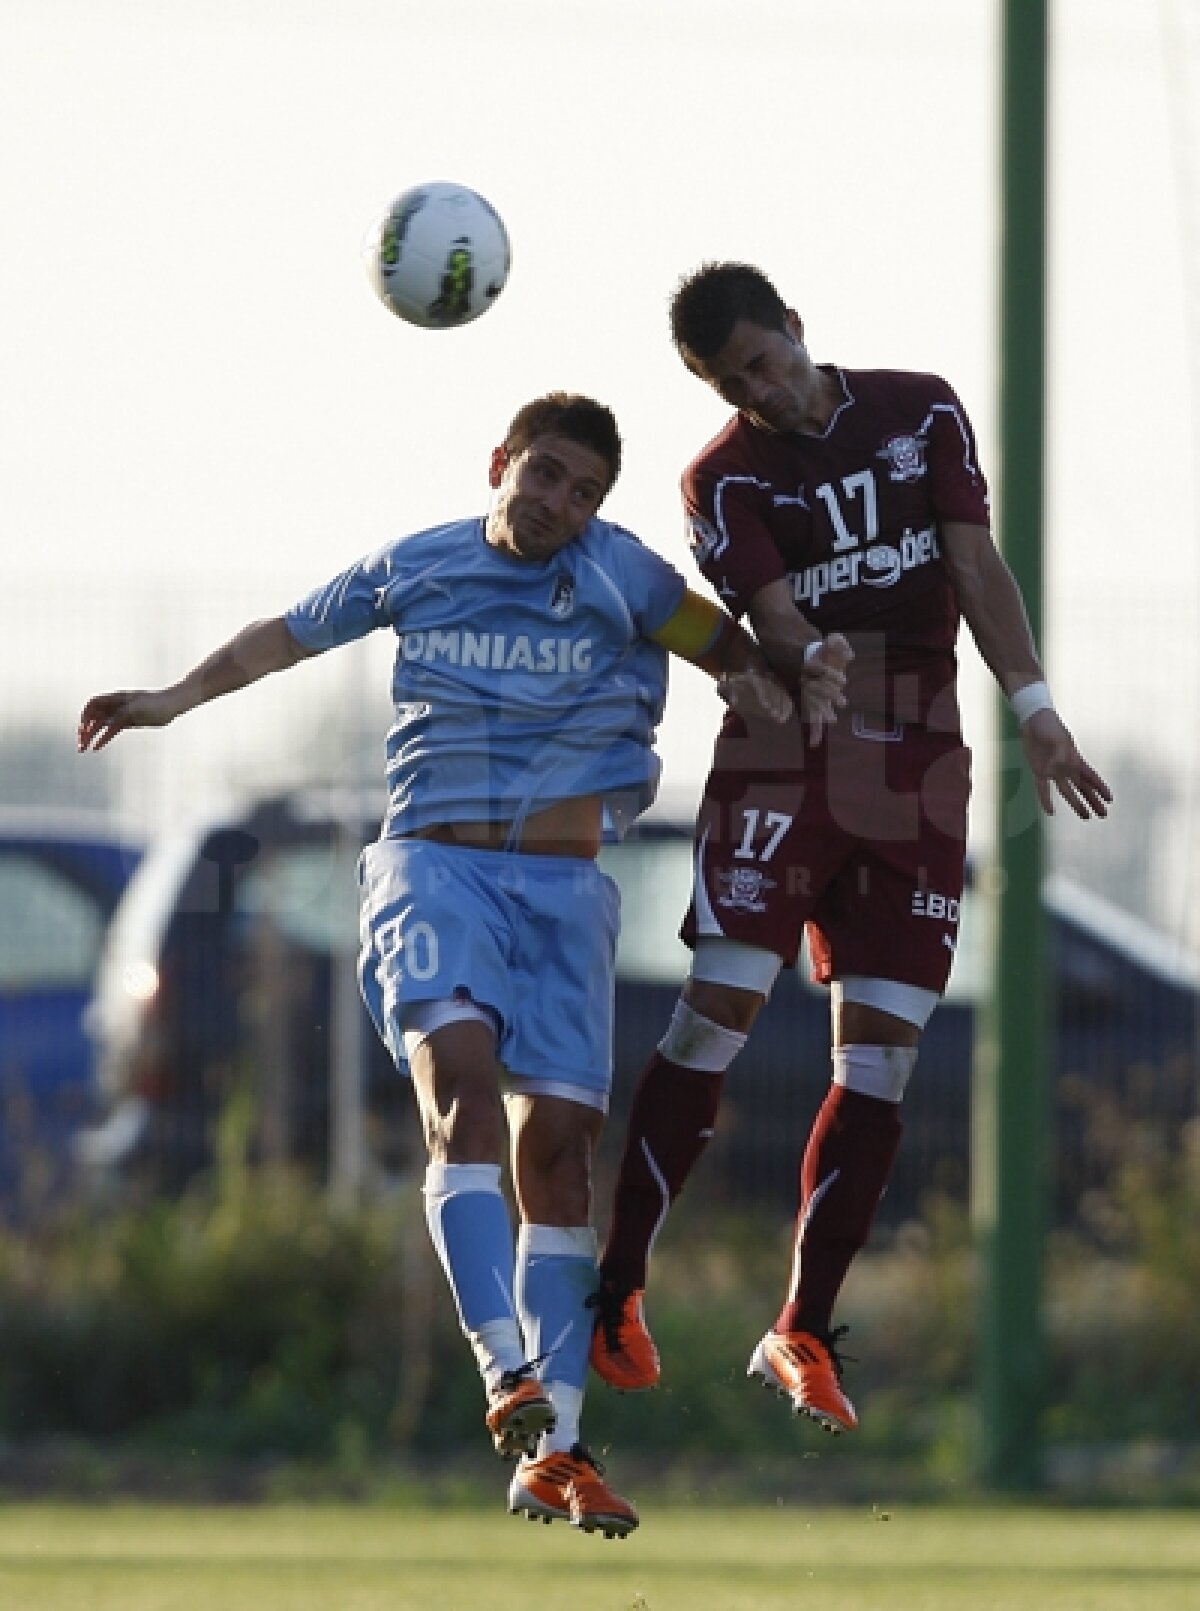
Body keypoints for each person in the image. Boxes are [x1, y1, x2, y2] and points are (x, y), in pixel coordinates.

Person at [78, 391, 796, 1537]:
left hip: (566, 894)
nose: (559, 502)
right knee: (459, 1086)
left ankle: (557, 1453)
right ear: (501, 461)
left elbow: (726, 648)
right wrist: (174, 699)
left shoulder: (626, 575)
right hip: (435, 872)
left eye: (584, 491)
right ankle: (504, 1366)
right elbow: (282, 635)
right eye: (546, 473)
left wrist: (765, 682)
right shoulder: (417, 564)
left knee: (559, 1160)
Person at [588, 264, 1112, 1435]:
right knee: (718, 1014)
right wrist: (805, 654)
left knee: (882, 1060)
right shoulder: (722, 478)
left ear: (796, 327)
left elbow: (974, 565)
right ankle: (617, 1291)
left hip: (918, 763)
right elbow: (773, 617)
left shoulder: (918, 410)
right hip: (794, 752)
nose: (759, 394)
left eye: (764, 364)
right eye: (732, 385)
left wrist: (1034, 707)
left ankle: (804, 1328)